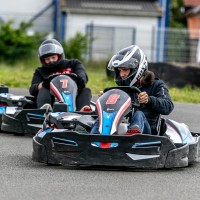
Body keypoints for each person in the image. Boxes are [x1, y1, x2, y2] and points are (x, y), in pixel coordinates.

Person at [91, 45, 174, 135]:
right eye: (120, 71)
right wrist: (105, 99)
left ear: (137, 68)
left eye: (125, 70)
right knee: (103, 115)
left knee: (139, 114)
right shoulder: (122, 88)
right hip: (122, 126)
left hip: (147, 132)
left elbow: (168, 106)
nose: (122, 74)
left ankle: (133, 134)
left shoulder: (156, 85)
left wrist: (149, 100)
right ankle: (93, 136)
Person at [29, 38, 92, 111]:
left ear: (59, 56)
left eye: (53, 57)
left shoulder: (73, 64)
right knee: (43, 89)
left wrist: (79, 79)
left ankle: (83, 109)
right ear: (43, 60)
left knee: (86, 90)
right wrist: (43, 84)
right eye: (47, 59)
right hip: (52, 100)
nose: (51, 61)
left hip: (73, 96)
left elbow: (82, 75)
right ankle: (45, 109)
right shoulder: (40, 71)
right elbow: (32, 89)